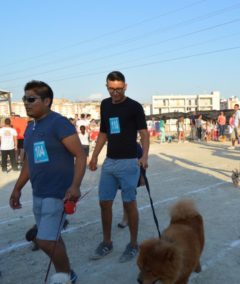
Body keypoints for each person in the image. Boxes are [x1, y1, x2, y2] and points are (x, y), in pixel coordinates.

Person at [9, 80, 86, 283]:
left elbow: (80, 155)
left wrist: (75, 185)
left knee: (44, 240)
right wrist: (17, 188)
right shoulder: (30, 127)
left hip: (58, 193)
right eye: (25, 99)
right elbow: (29, 161)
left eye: (31, 99)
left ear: (46, 101)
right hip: (38, 192)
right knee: (53, 238)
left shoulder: (59, 123)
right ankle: (68, 273)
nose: (26, 103)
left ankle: (67, 276)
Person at [88, 71, 149, 263]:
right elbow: (104, 132)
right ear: (106, 86)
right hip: (110, 162)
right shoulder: (105, 105)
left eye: (119, 89)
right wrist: (95, 155)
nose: (115, 92)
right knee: (104, 202)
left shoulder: (134, 107)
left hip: (129, 162)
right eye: (111, 88)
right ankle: (107, 242)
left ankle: (133, 244)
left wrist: (145, 156)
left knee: (129, 203)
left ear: (125, 86)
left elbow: (144, 134)